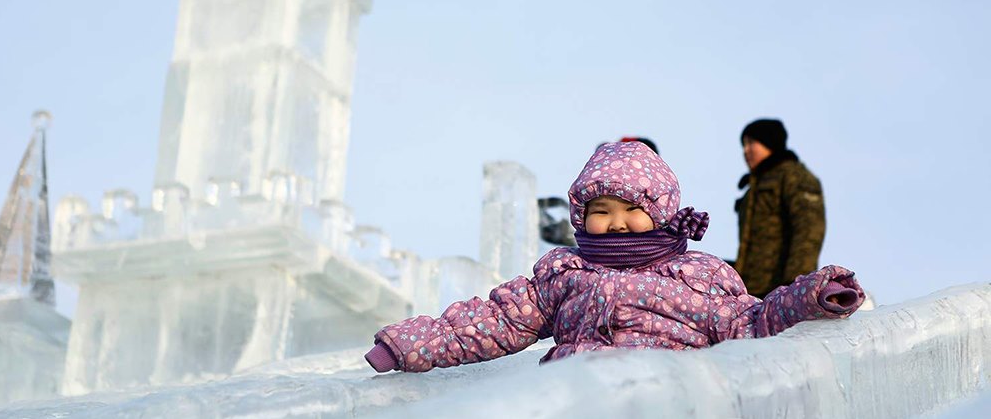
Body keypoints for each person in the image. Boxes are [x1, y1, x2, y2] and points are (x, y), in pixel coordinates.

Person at [364, 142, 862, 373]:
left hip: (667, 392)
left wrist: (811, 297)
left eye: (633, 209)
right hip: (575, 393)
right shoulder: (566, 274)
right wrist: (408, 346)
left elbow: (751, 323)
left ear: (662, 212)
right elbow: (493, 321)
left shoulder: (698, 277)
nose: (617, 221)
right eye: (600, 210)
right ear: (581, 217)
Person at [734, 119, 826, 298]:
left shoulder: (794, 177)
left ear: (769, 142)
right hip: (750, 290)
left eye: (751, 143)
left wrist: (796, 284)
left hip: (781, 289)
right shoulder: (752, 189)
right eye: (743, 145)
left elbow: (809, 230)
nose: (746, 151)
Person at [538, 136, 660, 247]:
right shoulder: (568, 264)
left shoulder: (672, 264)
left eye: (632, 209)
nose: (617, 225)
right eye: (601, 212)